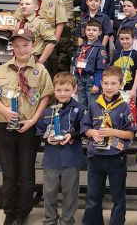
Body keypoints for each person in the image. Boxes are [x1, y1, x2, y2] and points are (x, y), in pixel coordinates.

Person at [0, 28, 53, 225]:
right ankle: (10, 212)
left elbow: (46, 95)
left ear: (32, 46)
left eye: (25, 45)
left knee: (26, 173)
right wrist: (5, 111)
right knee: (9, 173)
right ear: (12, 47)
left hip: (28, 127)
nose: (21, 49)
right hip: (4, 126)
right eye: (16, 45)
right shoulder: (2, 69)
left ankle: (23, 210)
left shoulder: (40, 70)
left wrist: (34, 120)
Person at [80, 66, 136, 225]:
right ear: (101, 84)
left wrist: (113, 131)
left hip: (116, 158)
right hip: (95, 157)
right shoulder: (94, 104)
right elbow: (85, 128)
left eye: (113, 83)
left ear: (120, 85)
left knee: (118, 197)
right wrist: (93, 133)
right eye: (106, 83)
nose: (109, 87)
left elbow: (130, 134)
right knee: (93, 196)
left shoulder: (124, 107)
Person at [36, 72, 85, 225]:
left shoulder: (80, 109)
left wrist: (73, 135)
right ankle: (50, 220)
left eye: (66, 90)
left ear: (74, 89)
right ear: (54, 90)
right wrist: (47, 138)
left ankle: (67, 220)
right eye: (59, 90)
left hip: (71, 158)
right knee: (49, 192)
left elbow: (84, 130)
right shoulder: (47, 110)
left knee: (70, 193)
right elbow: (39, 131)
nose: (62, 93)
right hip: (51, 158)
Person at [15, 0, 56, 69]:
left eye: (27, 4)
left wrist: (40, 62)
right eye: (21, 4)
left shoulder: (41, 22)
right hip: (20, 60)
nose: (23, 6)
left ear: (36, 7)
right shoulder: (19, 24)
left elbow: (51, 42)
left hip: (35, 59)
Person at [72, 20, 107, 107]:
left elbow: (100, 68)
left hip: (92, 80)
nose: (91, 32)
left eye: (94, 30)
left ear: (100, 32)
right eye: (88, 30)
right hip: (80, 79)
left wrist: (97, 84)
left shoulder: (100, 48)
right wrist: (74, 82)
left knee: (93, 106)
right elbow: (75, 66)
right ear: (85, 31)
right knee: (81, 105)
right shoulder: (81, 47)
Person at [112, 27, 137, 118]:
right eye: (122, 39)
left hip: (130, 89)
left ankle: (129, 130)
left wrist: (134, 89)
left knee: (129, 113)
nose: (125, 41)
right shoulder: (117, 54)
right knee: (116, 111)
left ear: (133, 39)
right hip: (117, 88)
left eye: (127, 38)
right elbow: (112, 72)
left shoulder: (136, 55)